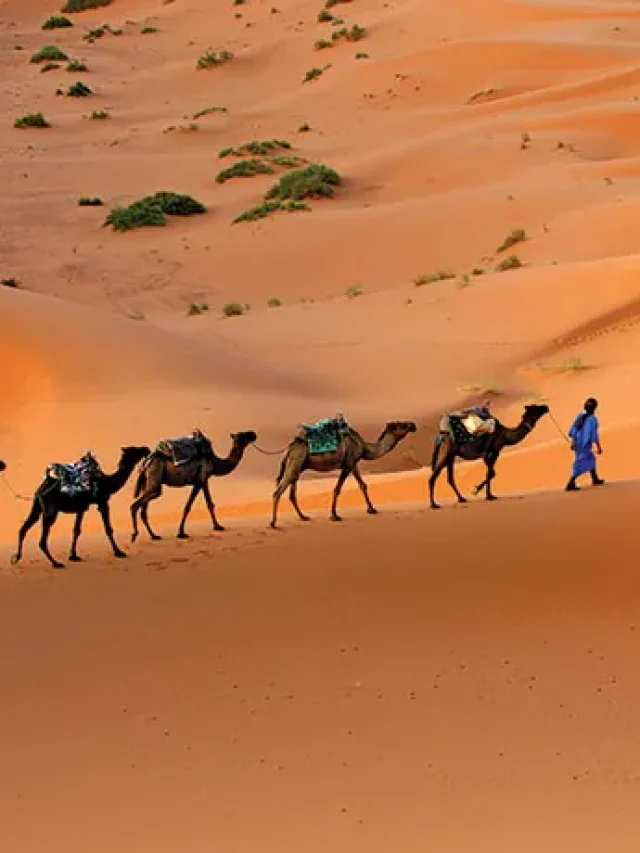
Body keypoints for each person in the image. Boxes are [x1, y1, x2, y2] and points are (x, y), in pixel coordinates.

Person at [566, 397, 604, 491]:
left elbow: (573, 430)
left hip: (578, 444)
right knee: (581, 462)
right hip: (584, 445)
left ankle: (594, 478)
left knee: (590, 460)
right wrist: (599, 447)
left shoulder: (580, 416)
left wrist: (573, 443)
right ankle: (571, 482)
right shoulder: (592, 419)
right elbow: (594, 435)